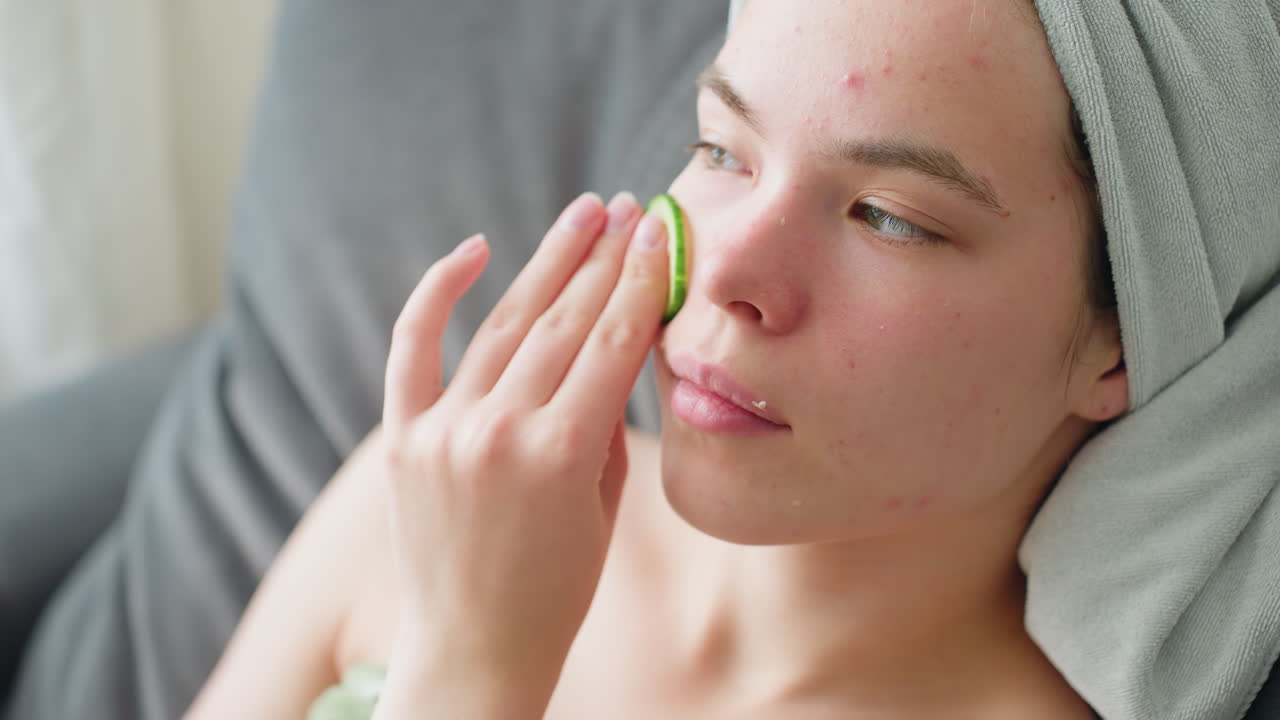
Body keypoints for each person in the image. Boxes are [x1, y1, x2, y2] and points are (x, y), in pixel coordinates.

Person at [185, 0, 1280, 717]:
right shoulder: (437, 500)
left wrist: (473, 669)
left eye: (889, 217)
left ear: (1119, 342)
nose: (727, 274)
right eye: (720, 149)